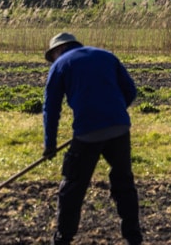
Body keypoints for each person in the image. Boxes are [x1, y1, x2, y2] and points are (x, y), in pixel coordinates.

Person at [42, 32, 143, 245]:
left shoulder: (60, 65)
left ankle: (62, 239)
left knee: (72, 187)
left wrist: (49, 144)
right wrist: (111, 113)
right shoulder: (106, 56)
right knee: (124, 182)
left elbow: (51, 108)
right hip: (119, 128)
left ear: (57, 51)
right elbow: (131, 90)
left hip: (88, 134)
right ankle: (133, 237)